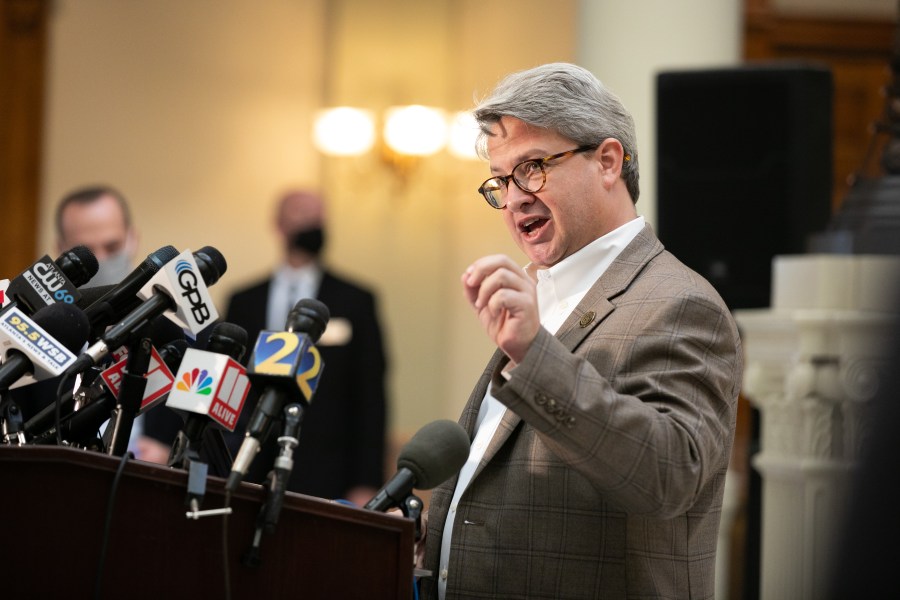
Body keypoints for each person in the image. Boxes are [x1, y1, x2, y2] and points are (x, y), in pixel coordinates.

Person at [418, 63, 744, 599]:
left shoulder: (680, 302)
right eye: (502, 181)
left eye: (532, 167)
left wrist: (533, 354)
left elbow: (670, 474)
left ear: (608, 162)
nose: (516, 197)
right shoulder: (542, 296)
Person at [223, 188, 388, 507]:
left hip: (328, 469)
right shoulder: (243, 301)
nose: (314, 222)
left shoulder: (355, 300)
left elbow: (370, 395)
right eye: (302, 213)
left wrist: (367, 480)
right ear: (279, 224)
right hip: (250, 464)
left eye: (319, 215)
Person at [55, 184, 180, 463]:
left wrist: (172, 455)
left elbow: (225, 436)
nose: (102, 259)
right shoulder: (46, 327)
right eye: (87, 251)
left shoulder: (180, 327)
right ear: (61, 250)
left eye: (112, 246)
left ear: (133, 240)